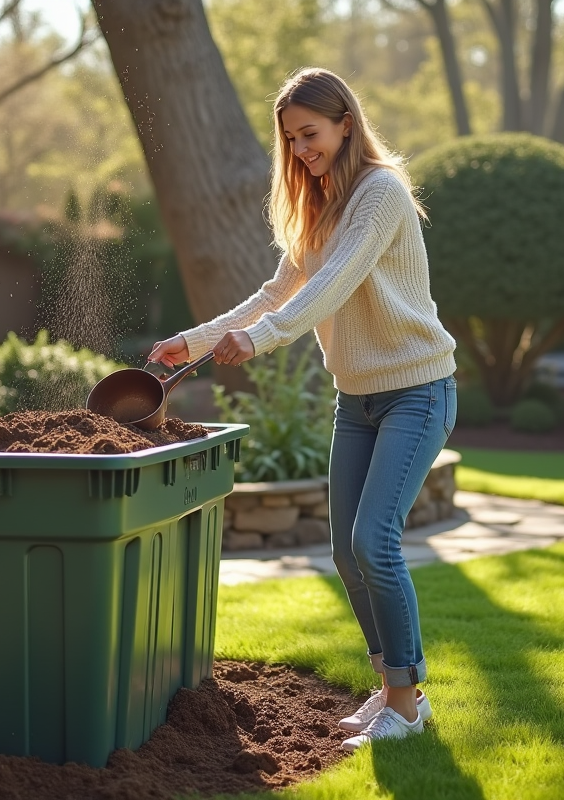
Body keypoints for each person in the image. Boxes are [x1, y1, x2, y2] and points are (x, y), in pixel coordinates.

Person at [148, 67, 457, 751]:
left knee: (374, 540)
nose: (300, 150)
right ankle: (392, 687)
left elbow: (332, 287)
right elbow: (275, 290)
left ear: (346, 121)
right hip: (359, 400)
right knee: (348, 555)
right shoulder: (319, 203)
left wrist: (259, 341)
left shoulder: (378, 195)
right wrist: (190, 341)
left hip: (417, 390)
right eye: (290, 140)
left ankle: (407, 708)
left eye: (309, 134)